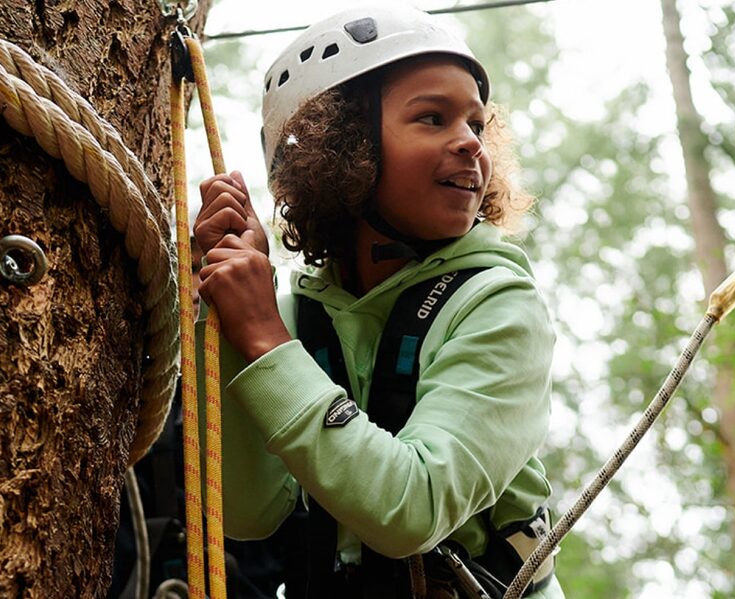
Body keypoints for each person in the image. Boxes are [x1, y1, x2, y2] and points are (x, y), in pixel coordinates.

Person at [192, 4, 564, 598]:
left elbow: (411, 509)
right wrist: (230, 318)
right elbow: (246, 511)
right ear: (343, 150)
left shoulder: (499, 306)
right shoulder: (298, 318)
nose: (471, 143)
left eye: (476, 122)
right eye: (433, 118)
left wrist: (262, 335)